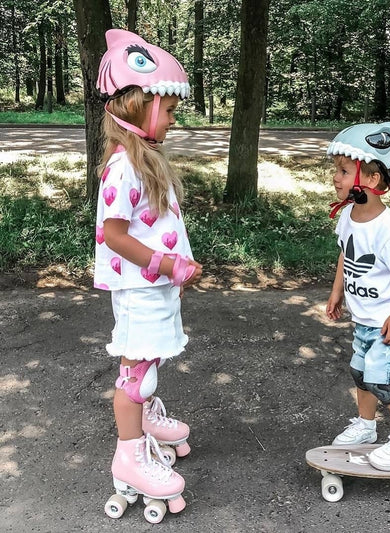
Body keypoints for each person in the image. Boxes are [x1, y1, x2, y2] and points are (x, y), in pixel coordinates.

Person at [94, 29, 202, 519]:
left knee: (148, 361)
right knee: (136, 372)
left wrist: (174, 265)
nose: (174, 119)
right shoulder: (123, 169)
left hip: (154, 286)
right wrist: (165, 263)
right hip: (141, 286)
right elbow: (113, 236)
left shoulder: (144, 161)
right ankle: (130, 453)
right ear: (140, 105)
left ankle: (147, 421)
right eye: (171, 109)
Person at [325, 122, 390, 471]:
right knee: (360, 372)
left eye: (342, 170)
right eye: (335, 169)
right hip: (365, 317)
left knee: (382, 378)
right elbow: (345, 253)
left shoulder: (388, 229)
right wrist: (337, 291)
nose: (335, 177)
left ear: (370, 179)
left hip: (389, 319)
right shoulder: (350, 216)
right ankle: (367, 428)